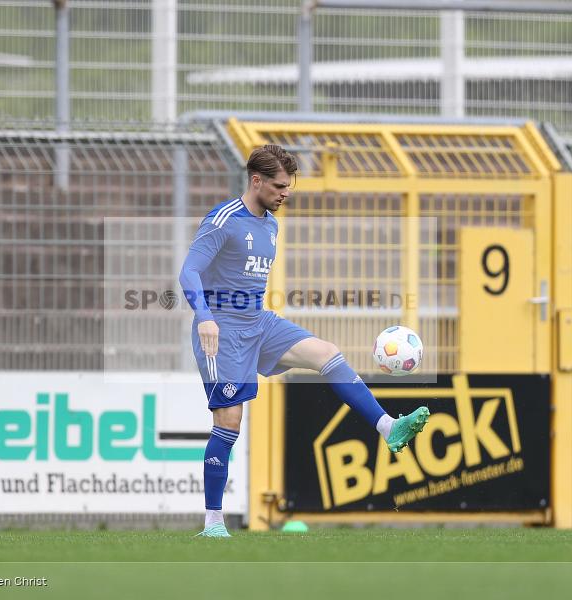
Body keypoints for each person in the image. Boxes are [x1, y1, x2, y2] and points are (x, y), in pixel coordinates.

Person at [178, 144, 429, 537]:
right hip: (222, 331)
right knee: (229, 422)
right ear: (256, 180)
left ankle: (387, 426)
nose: (285, 193)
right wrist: (205, 318)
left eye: (289, 186)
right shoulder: (224, 219)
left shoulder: (270, 225)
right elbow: (189, 272)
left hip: (259, 322)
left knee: (327, 354)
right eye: (279, 186)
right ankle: (213, 522)